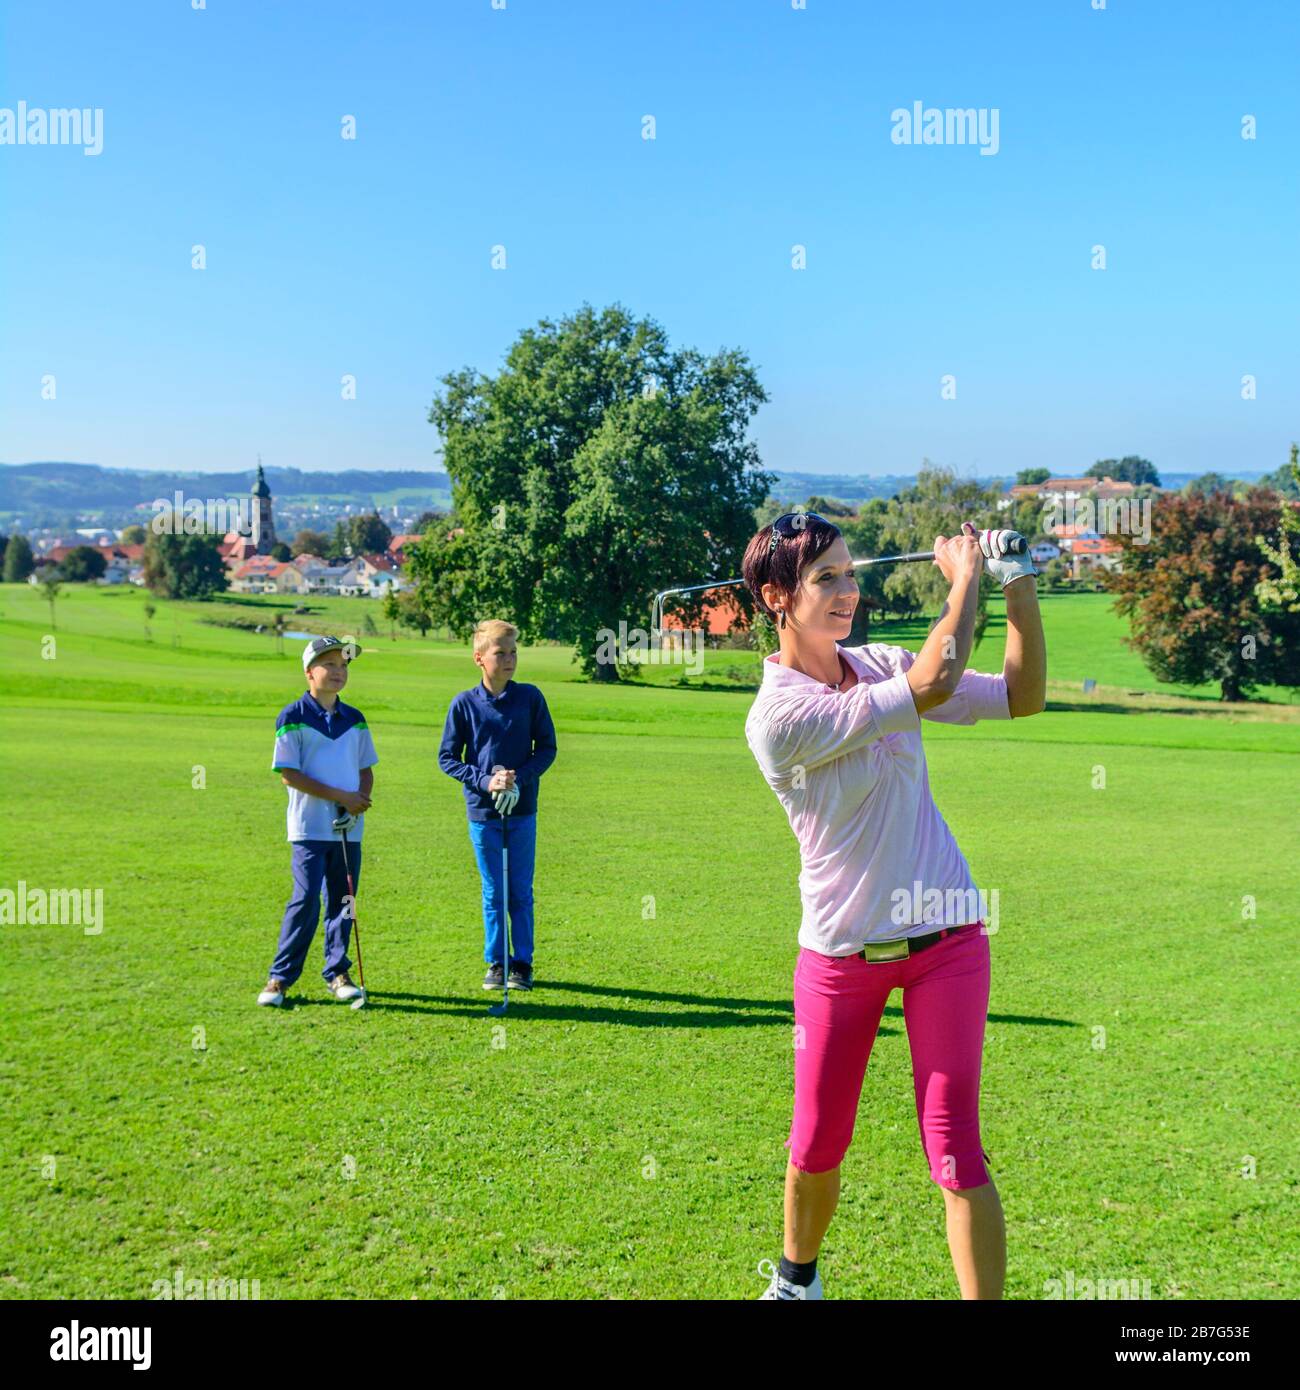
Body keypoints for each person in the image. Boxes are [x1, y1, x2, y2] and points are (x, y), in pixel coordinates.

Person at [743, 514, 1046, 1300]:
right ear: (778, 597)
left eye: (849, 573)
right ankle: (796, 1280)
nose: (849, 590)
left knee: (955, 1150)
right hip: (842, 953)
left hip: (947, 939)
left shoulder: (876, 659)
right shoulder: (777, 719)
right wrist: (964, 579)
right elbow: (933, 682)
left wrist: (1017, 582)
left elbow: (1024, 694)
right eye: (826, 579)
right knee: (816, 1143)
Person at [438, 619, 557, 992]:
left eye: (513, 652)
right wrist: (486, 780)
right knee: (494, 891)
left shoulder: (530, 698)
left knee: (520, 890)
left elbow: (547, 749)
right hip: (483, 813)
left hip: (522, 812)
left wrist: (518, 778)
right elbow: (447, 758)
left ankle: (521, 963)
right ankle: (496, 961)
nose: (509, 660)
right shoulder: (464, 704)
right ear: (479, 658)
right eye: (500, 653)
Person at [258, 636, 377, 1007]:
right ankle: (279, 978)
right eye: (330, 665)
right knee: (306, 899)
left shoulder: (355, 719)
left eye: (343, 666)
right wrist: (342, 797)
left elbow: (365, 768)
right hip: (309, 827)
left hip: (348, 829)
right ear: (309, 673)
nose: (338, 672)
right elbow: (289, 775)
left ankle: (337, 973)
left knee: (343, 900)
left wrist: (359, 801)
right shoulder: (292, 716)